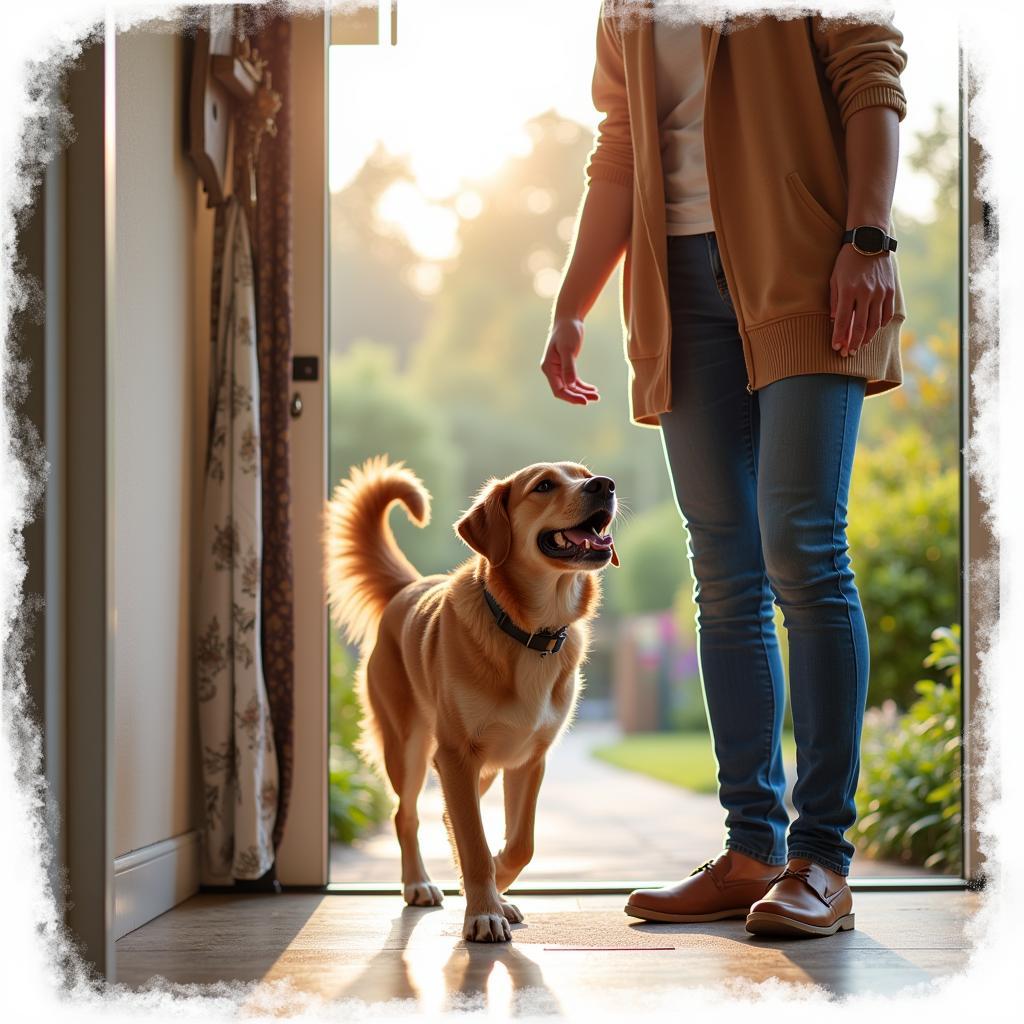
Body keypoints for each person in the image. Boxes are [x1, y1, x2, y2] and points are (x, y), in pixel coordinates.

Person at [540, 0, 908, 938]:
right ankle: (752, 847)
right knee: (724, 573)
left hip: (807, 265)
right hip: (676, 286)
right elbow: (622, 144)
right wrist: (575, 303)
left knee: (804, 549)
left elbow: (871, 70)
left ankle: (821, 859)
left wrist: (867, 239)